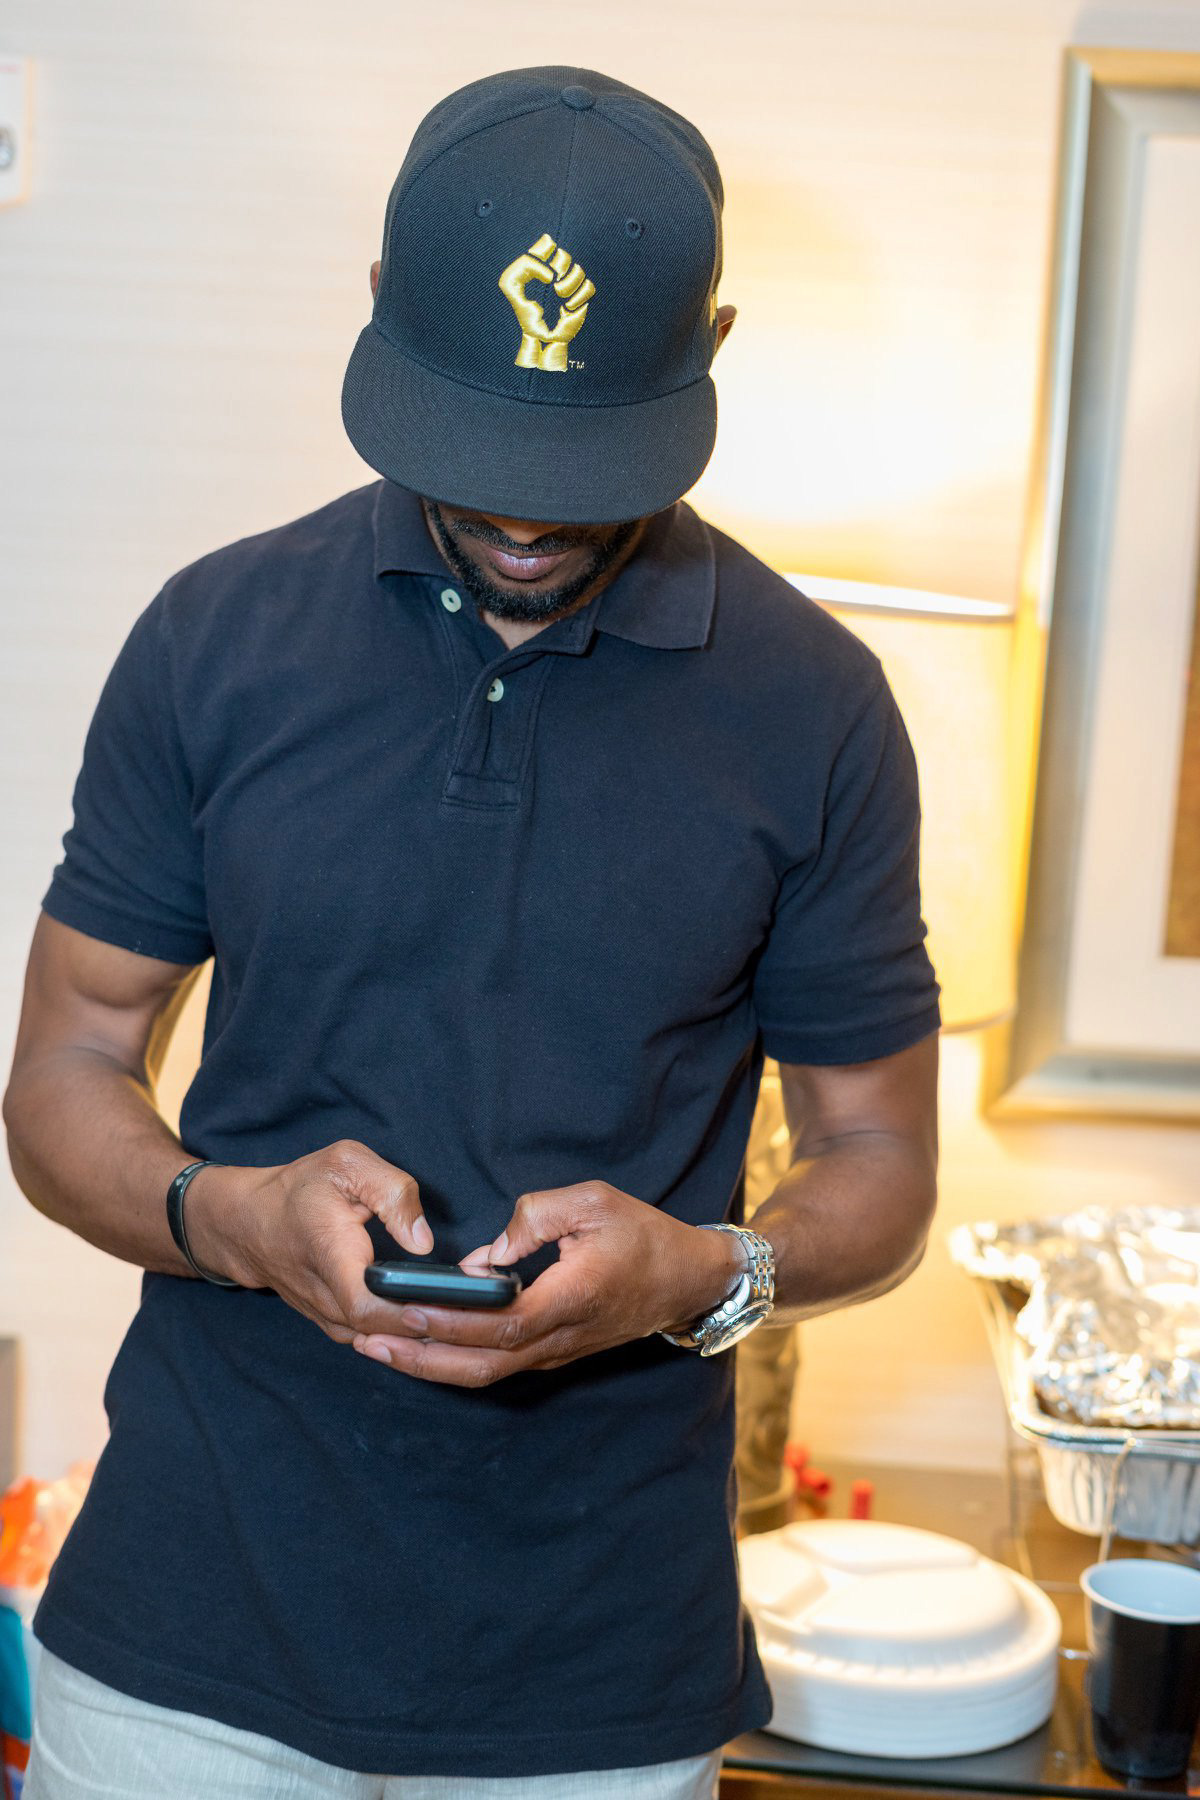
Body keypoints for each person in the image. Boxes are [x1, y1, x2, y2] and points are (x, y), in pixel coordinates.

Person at [3, 64, 941, 1800]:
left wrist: (702, 1274)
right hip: (185, 1634)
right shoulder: (213, 637)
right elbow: (65, 1065)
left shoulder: (819, 709)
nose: (523, 519)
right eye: (483, 455)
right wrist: (231, 1221)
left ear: (713, 346)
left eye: (579, 468)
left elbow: (879, 1158)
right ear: (378, 308)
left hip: (596, 1677)